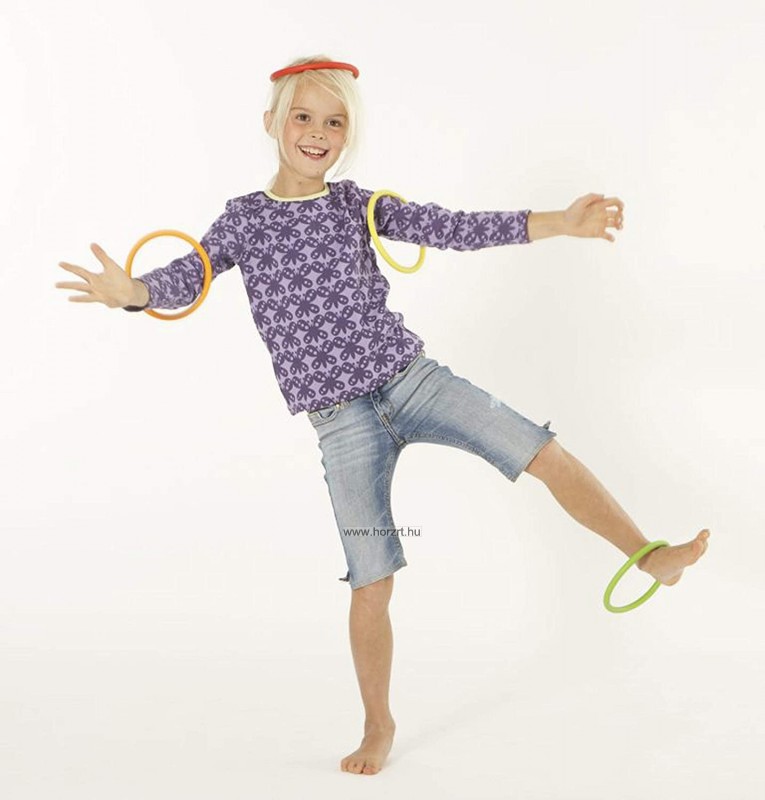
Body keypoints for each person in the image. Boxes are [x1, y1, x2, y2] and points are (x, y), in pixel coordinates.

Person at [55, 54, 710, 776]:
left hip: (412, 382)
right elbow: (187, 275)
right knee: (371, 577)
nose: (317, 132)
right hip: (341, 423)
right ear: (271, 122)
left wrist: (560, 221)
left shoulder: (357, 205)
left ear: (348, 135)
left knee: (540, 450)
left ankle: (650, 557)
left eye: (334, 122)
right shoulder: (245, 219)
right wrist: (133, 292)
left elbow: (452, 228)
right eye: (303, 116)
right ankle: (378, 724)